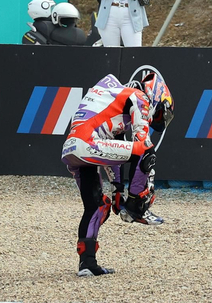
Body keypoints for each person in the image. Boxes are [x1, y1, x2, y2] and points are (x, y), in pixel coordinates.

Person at [59, 71, 173, 277]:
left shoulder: (112, 94)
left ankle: (87, 264)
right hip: (89, 143)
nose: (156, 118)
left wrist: (117, 190)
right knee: (146, 149)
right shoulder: (138, 97)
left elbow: (113, 148)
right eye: (159, 113)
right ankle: (135, 206)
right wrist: (133, 195)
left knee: (97, 206)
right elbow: (142, 138)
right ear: (155, 95)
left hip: (73, 149)